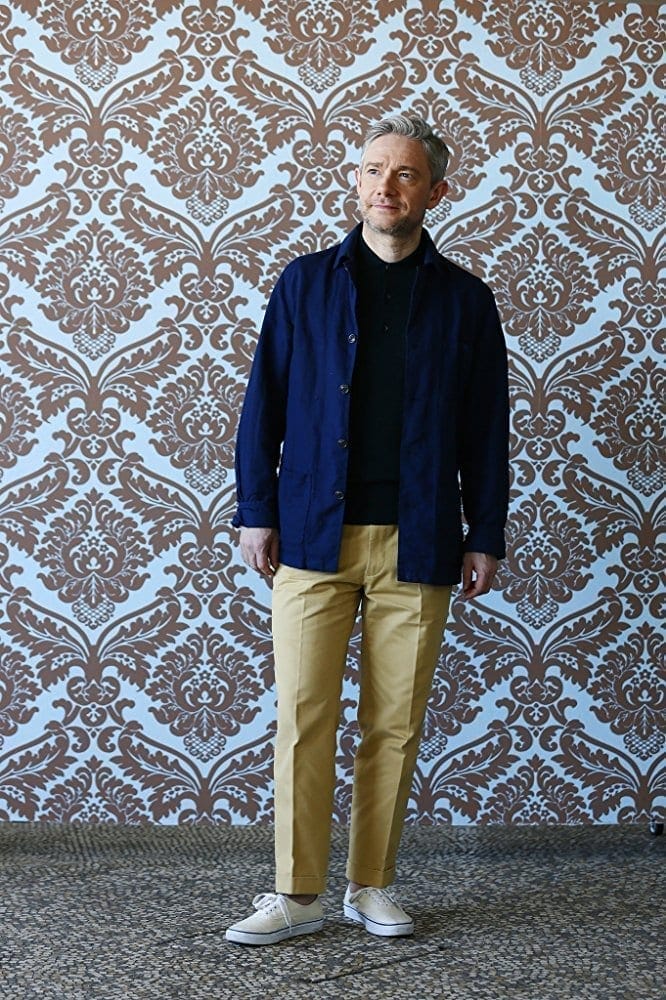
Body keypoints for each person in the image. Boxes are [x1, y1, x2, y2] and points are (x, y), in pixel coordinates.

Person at [225, 114, 509, 946]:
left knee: (394, 724)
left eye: (406, 173)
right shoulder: (304, 283)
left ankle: (371, 885)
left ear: (436, 191)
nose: (386, 186)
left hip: (420, 538)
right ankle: (295, 893)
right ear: (356, 182)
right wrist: (256, 510)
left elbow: (486, 428)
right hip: (312, 534)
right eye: (373, 170)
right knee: (304, 717)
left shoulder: (465, 300)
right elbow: (263, 405)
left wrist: (484, 531)